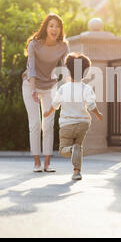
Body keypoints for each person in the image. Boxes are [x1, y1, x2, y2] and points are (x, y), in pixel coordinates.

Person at [43, 52, 103, 180]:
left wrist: (47, 113)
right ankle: (77, 172)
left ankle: (71, 150)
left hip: (66, 125)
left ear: (68, 71)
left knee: (63, 149)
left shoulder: (63, 89)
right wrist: (98, 115)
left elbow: (54, 105)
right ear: (85, 72)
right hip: (83, 124)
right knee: (78, 147)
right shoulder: (87, 88)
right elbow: (92, 105)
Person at [22, 13, 69, 173]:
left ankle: (47, 163)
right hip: (30, 85)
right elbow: (32, 68)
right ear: (46, 28)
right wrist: (34, 89)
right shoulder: (34, 44)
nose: (54, 29)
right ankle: (37, 162)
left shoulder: (63, 46)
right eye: (51, 26)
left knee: (48, 125)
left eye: (57, 26)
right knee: (35, 124)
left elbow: (65, 68)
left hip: (50, 86)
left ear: (60, 29)